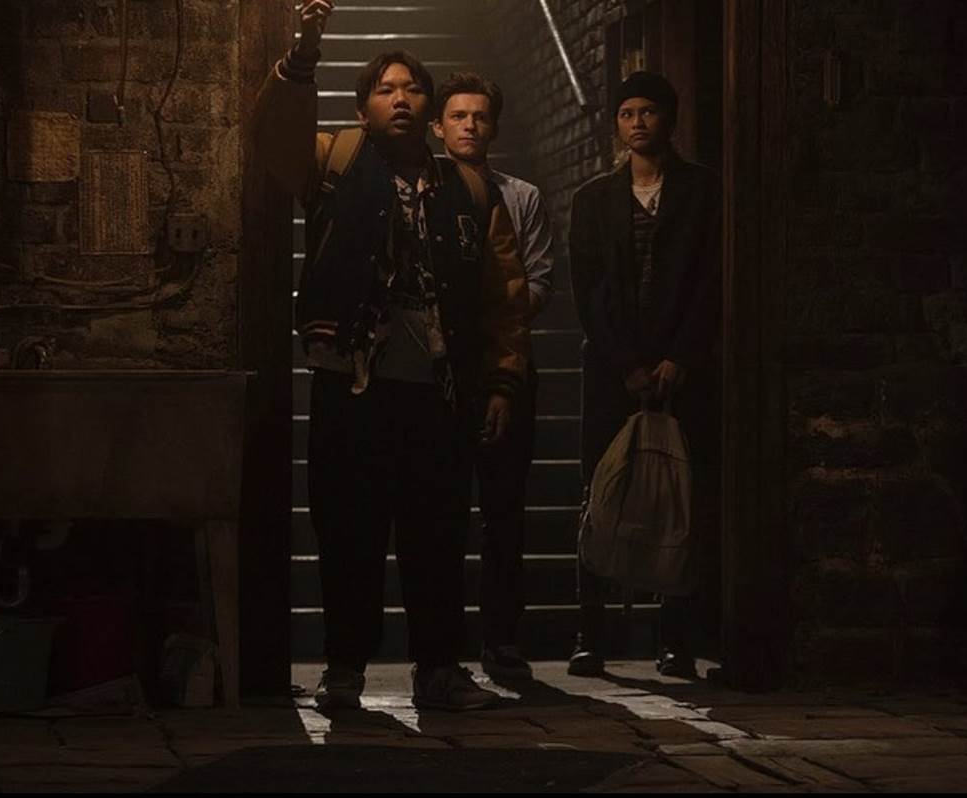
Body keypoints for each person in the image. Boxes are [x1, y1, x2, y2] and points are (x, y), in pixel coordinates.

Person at [251, 0, 530, 711]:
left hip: (438, 394)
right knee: (349, 535)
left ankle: (439, 669)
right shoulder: (335, 160)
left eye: (411, 88)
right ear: (364, 108)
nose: (400, 97)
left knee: (438, 537)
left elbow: (503, 297)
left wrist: (502, 382)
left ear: (430, 108)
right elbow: (273, 138)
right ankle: (344, 669)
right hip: (353, 387)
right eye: (384, 88)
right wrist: (302, 54)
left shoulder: (470, 190)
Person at [566, 71, 722, 678]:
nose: (637, 122)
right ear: (616, 122)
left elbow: (712, 279)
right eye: (627, 112)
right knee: (601, 492)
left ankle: (676, 638)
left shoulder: (702, 191)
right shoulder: (594, 199)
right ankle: (591, 634)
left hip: (684, 368)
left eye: (648, 112)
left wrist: (681, 356)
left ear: (669, 120)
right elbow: (589, 290)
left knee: (682, 494)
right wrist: (627, 363)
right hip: (613, 369)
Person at [430, 72, 555, 680]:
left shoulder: (522, 196)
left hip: (507, 365)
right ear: (438, 126)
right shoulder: (424, 189)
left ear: (495, 127)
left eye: (479, 116)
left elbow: (538, 281)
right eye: (458, 116)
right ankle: (443, 649)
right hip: (444, 373)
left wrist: (491, 315)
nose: (470, 126)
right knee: (442, 513)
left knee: (505, 513)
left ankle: (502, 641)